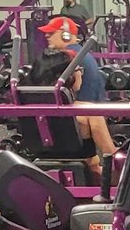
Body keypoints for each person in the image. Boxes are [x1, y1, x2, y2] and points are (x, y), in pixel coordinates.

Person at [33, 48, 115, 182]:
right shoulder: (88, 112)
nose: (81, 74)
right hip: (86, 184)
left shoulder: (28, 110)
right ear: (69, 76)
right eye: (78, 70)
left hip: (42, 183)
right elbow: (112, 158)